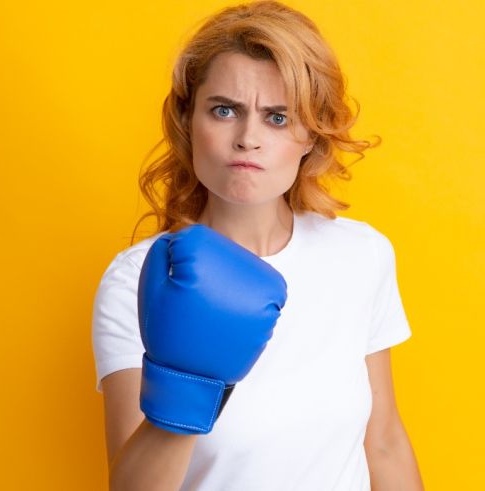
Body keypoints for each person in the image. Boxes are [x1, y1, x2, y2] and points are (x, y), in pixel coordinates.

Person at [91, 1, 424, 489]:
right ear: (188, 121)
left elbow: (386, 442)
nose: (248, 138)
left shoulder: (360, 256)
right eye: (224, 110)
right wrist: (187, 390)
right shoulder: (137, 279)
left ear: (310, 133)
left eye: (277, 117)